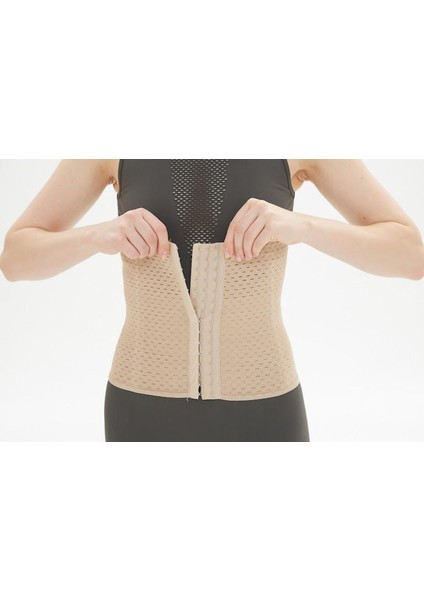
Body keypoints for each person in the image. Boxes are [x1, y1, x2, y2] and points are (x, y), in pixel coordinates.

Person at [1, 159, 423, 442]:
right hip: (140, 408)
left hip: (266, 407)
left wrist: (303, 226)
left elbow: (410, 256)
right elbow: (15, 259)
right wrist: (97, 236)